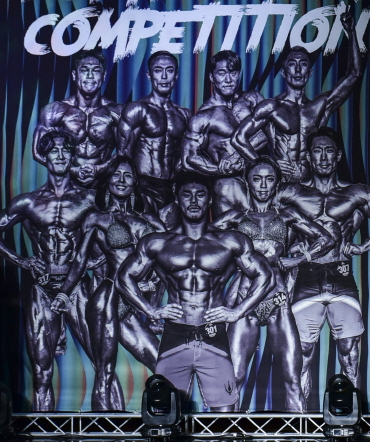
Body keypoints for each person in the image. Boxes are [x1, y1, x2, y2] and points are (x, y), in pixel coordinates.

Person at [115, 172, 272, 413]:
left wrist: (237, 312)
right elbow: (123, 277)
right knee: (164, 412)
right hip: (175, 334)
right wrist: (150, 311)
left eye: (200, 194)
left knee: (225, 415)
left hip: (213, 334)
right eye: (187, 195)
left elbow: (265, 275)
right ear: (177, 199)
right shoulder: (158, 243)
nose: (194, 200)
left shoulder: (230, 241)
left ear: (210, 199)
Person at [275, 128, 370, 407]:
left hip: (341, 276)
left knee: (349, 351)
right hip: (306, 278)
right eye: (317, 151)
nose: (323, 157)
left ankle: (351, 418)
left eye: (329, 151)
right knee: (301, 354)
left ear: (338, 155)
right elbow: (265, 225)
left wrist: (363, 246)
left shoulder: (356, 193)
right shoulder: (291, 193)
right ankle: (301, 423)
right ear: (308, 157)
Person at [0, 132, 96, 411]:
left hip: (77, 285)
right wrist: (21, 260)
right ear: (44, 158)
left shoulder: (89, 199)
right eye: (54, 151)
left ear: (73, 156)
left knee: (102, 362)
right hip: (43, 289)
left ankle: (114, 425)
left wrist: (93, 262)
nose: (60, 155)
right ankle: (43, 430)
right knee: (42, 371)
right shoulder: (29, 202)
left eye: (65, 150)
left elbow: (117, 236)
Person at [217, 156, 328, 411]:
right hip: (245, 300)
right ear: (248, 183)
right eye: (257, 179)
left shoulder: (287, 216)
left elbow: (326, 238)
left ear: (277, 183)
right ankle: (223, 433)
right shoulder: (234, 218)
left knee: (292, 380)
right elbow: (201, 241)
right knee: (234, 378)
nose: (263, 185)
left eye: (269, 179)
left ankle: (300, 435)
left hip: (277, 300)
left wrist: (299, 258)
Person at [72, 157, 165, 410]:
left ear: (135, 182)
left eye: (128, 175)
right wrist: (63, 293)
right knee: (105, 371)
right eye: (117, 175)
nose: (122, 180)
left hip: (134, 302)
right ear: (108, 181)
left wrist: (153, 293)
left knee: (162, 364)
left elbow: (166, 261)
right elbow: (80, 260)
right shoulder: (96, 218)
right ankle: (102, 429)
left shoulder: (149, 220)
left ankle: (160, 421)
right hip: (109, 298)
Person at [233, 10, 364, 186]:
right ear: (283, 72)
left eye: (303, 64)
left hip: (312, 187)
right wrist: (266, 165)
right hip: (281, 186)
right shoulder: (271, 107)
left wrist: (352, 32)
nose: (297, 70)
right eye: (292, 64)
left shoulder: (320, 106)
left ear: (309, 73)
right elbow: (238, 138)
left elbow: (354, 74)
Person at [182, 49, 263, 221]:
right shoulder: (203, 117)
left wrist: (238, 155)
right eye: (221, 73)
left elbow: (271, 132)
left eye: (233, 73)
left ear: (239, 74)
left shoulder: (253, 99)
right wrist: (219, 169)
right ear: (212, 77)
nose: (228, 79)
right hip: (228, 185)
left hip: (261, 183)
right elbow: (188, 159)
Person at [117, 50, 191, 220]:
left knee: (170, 235)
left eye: (169, 70)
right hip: (143, 185)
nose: (164, 76)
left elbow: (186, 157)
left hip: (171, 188)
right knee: (145, 233)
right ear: (149, 75)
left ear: (176, 75)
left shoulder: (184, 115)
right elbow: (123, 155)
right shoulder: (138, 109)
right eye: (158, 70)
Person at [32, 53, 121, 193]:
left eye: (96, 70)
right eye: (84, 70)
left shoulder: (116, 112)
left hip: (103, 184)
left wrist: (99, 169)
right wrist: (73, 170)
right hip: (66, 185)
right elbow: (38, 151)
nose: (90, 76)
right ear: (74, 75)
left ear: (103, 76)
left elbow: (126, 150)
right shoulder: (55, 111)